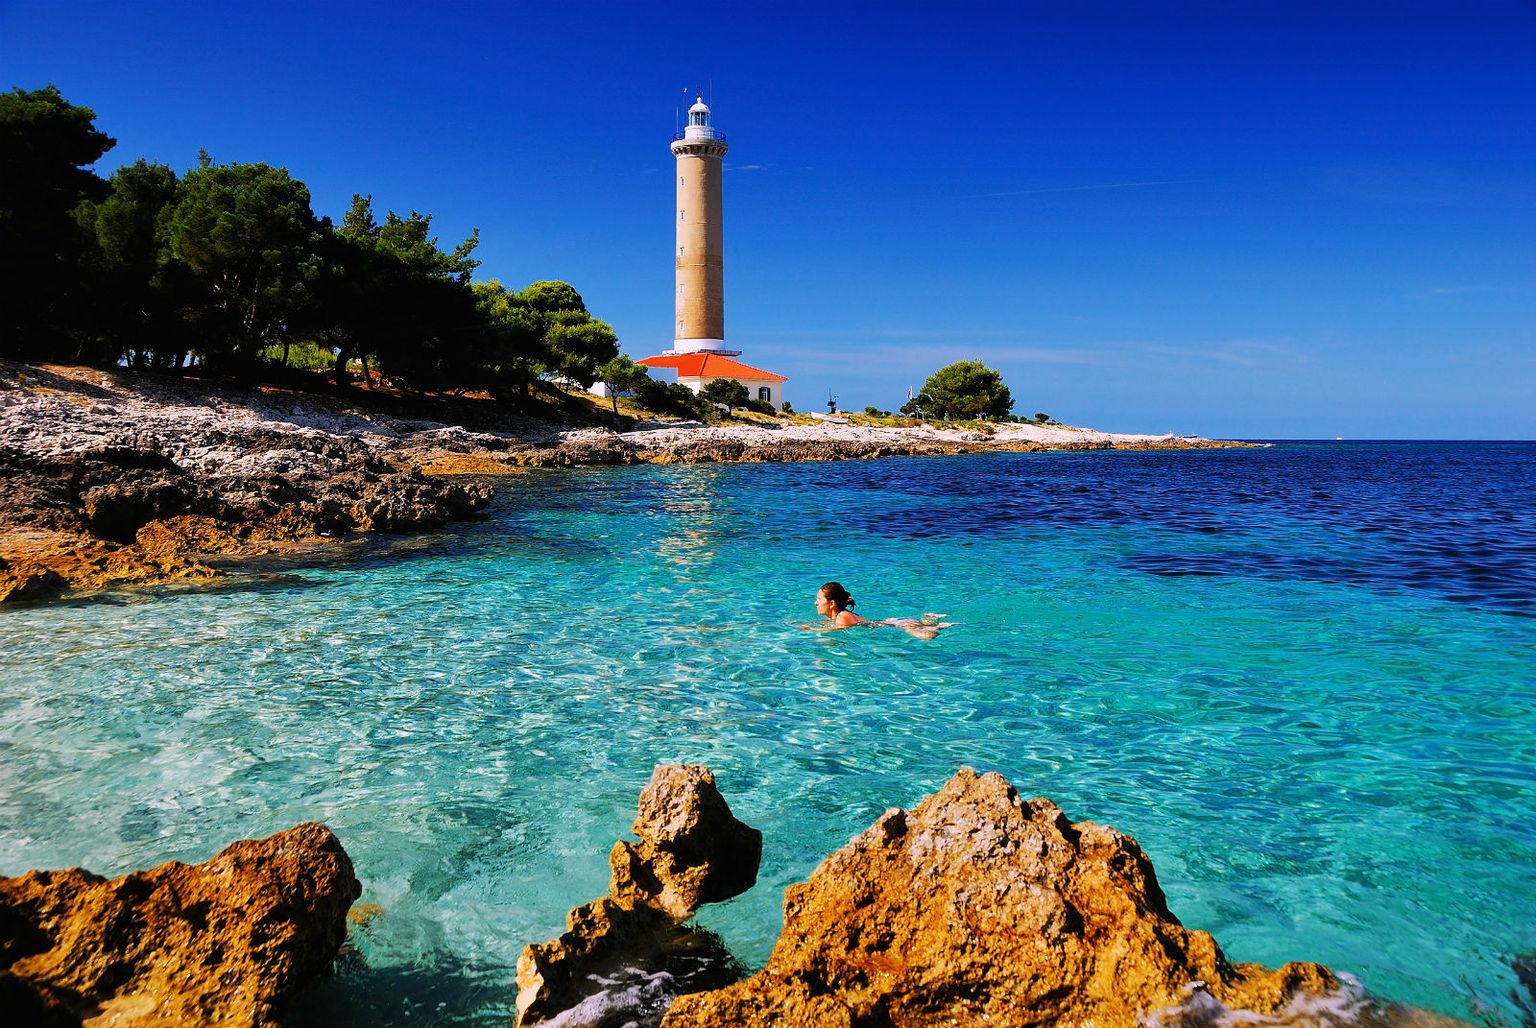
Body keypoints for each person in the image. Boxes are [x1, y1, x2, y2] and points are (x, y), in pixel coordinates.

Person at [809, 581, 952, 640]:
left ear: (832, 603)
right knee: (926, 628)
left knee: (928, 636)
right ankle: (930, 618)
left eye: (819, 599)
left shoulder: (843, 616)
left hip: (899, 625)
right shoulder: (838, 616)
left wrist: (811, 629)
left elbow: (837, 630)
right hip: (892, 622)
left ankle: (938, 623)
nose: (815, 603)